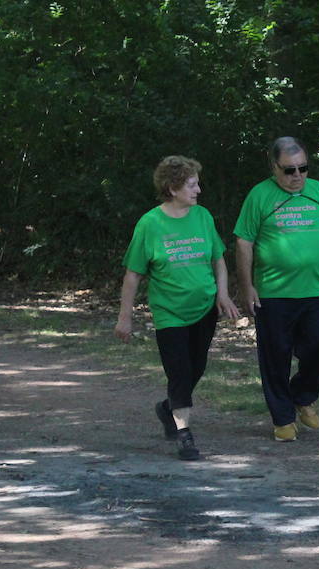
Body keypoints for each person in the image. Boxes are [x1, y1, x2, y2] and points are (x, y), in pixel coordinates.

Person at [117, 155, 240, 461]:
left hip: (204, 309)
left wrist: (222, 294)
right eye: (192, 184)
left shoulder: (203, 217)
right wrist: (124, 318)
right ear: (172, 188)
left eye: (197, 183)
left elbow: (219, 260)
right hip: (169, 312)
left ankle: (167, 408)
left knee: (196, 368)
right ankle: (184, 434)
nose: (198, 190)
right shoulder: (150, 224)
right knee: (180, 372)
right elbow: (133, 274)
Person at [233, 137, 319, 442]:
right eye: (289, 170)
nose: (297, 175)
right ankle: (283, 419)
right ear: (274, 168)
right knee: (276, 357)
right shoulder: (259, 196)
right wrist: (247, 287)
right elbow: (243, 242)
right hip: (274, 293)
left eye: (303, 168)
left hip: (318, 291)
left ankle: (303, 395)